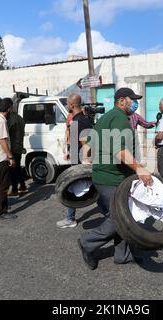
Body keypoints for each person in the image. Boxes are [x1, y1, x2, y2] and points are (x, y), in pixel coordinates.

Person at [77, 88, 153, 270]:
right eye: (132, 99)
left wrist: (92, 159)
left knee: (123, 214)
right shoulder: (120, 118)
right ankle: (87, 243)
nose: (135, 103)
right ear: (121, 101)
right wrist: (140, 169)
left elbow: (87, 143)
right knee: (119, 218)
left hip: (106, 176)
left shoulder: (106, 117)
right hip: (112, 178)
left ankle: (122, 254)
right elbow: (120, 151)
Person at [57, 93, 93, 229]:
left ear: (72, 105)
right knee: (86, 189)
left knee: (72, 190)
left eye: (67, 103)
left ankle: (70, 219)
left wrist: (84, 162)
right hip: (80, 161)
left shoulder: (78, 122)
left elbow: (85, 144)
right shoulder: (83, 120)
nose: (67, 105)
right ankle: (70, 217)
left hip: (80, 164)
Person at [0, 98, 18, 220]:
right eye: (11, 107)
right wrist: (10, 156)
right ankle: (2, 211)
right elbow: (2, 140)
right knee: (4, 185)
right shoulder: (1, 121)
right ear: (9, 108)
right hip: (1, 157)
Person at [7, 110, 28, 197]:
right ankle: (22, 186)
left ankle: (15, 189)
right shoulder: (20, 118)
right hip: (19, 145)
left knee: (12, 169)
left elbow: (7, 133)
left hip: (12, 146)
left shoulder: (10, 119)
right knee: (18, 168)